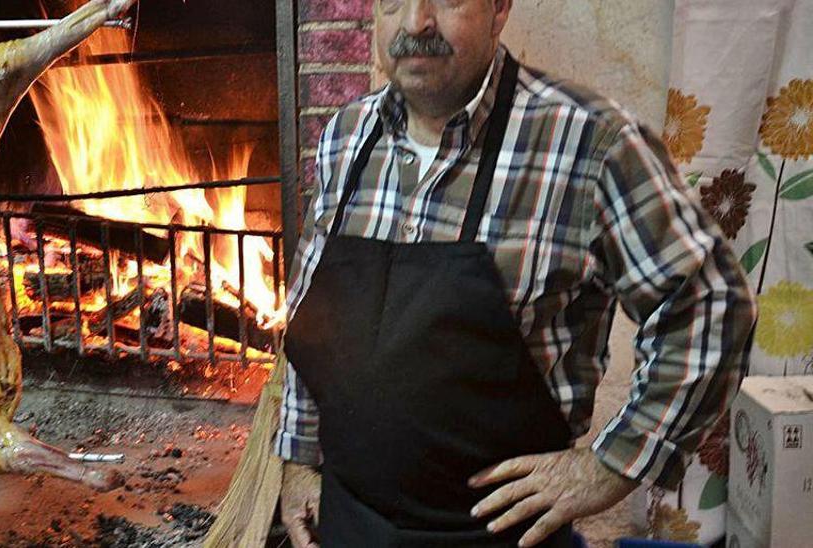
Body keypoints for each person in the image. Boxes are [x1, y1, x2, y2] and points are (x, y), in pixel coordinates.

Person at [275, 0, 757, 546]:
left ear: (500, 9)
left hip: (498, 535)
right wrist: (298, 458)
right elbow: (312, 320)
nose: (415, 23)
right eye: (394, 1)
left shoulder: (590, 142)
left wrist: (611, 466)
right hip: (349, 525)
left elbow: (712, 305)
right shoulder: (346, 138)